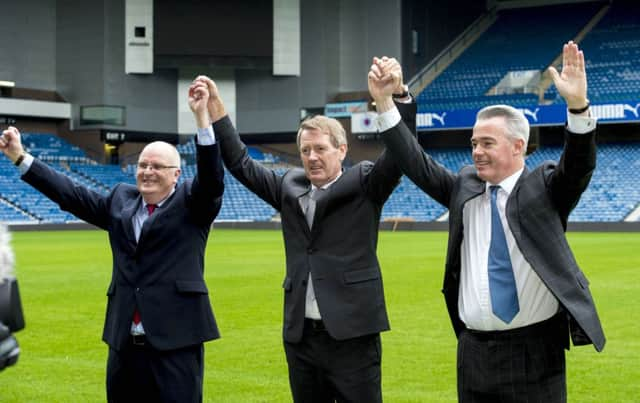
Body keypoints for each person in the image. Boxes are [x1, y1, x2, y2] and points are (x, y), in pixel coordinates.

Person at [369, 41, 605, 402]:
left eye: (487, 143)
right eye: (473, 142)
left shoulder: (545, 187)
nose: (476, 151)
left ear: (518, 146)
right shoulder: (463, 187)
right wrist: (387, 103)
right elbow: (415, 162)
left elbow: (578, 165)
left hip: (535, 353)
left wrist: (577, 106)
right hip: (473, 353)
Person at [190, 60, 415, 402]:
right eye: (305, 150)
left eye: (320, 149)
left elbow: (402, 154)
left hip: (352, 336)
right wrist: (217, 111)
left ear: (342, 150)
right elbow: (240, 164)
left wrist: (397, 96)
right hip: (302, 339)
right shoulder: (289, 188)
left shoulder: (365, 182)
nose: (311, 157)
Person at [0, 83, 224, 402]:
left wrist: (202, 117)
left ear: (176, 175)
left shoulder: (192, 204)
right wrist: (20, 157)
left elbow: (212, 178)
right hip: (124, 346)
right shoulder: (121, 200)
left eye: (156, 167)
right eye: (143, 165)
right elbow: (71, 195)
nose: (147, 171)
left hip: (175, 345)